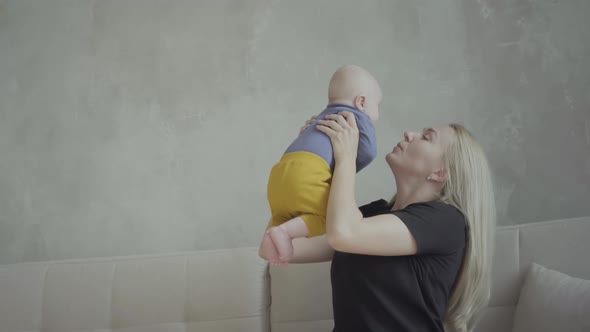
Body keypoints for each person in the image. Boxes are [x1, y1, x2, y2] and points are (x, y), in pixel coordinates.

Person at [261, 111, 496, 332]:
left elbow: (344, 234)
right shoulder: (371, 215)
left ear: (440, 173)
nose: (409, 134)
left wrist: (346, 159)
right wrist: (305, 160)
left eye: (426, 137)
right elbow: (276, 249)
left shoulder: (446, 222)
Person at [259, 65, 383, 265]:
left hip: (281, 172)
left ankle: (274, 239)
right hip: (309, 172)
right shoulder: (357, 117)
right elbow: (368, 152)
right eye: (378, 105)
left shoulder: (321, 117)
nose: (377, 112)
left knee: (284, 214)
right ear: (361, 101)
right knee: (329, 219)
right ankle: (282, 231)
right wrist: (347, 166)